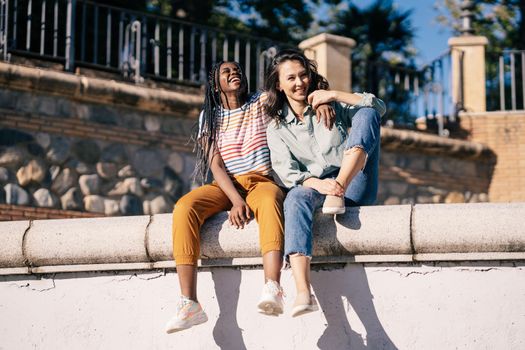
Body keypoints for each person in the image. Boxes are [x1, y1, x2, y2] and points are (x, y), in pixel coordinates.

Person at [165, 60, 334, 333]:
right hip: (227, 186)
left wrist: (321, 100)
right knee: (184, 207)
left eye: (238, 70)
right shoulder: (208, 116)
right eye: (226, 71)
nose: (235, 73)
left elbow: (297, 89)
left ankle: (273, 286)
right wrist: (235, 200)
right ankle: (189, 303)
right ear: (214, 83)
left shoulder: (262, 101)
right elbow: (216, 165)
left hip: (262, 181)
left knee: (269, 202)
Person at [264, 49, 386, 317]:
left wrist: (334, 95)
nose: (299, 83)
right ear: (279, 85)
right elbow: (286, 172)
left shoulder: (330, 106)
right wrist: (320, 185)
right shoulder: (276, 126)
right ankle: (303, 292)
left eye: (303, 75)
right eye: (291, 78)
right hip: (318, 190)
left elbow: (378, 108)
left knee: (366, 115)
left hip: (354, 183)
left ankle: (340, 186)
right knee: (295, 196)